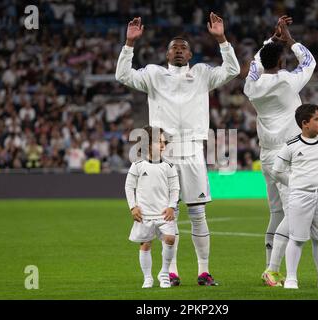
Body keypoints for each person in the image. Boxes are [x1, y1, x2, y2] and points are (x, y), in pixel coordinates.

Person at [116, 12, 240, 286]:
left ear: (191, 54)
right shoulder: (153, 74)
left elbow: (232, 70)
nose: (180, 51)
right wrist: (129, 44)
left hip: (193, 149)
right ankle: (169, 272)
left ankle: (203, 271)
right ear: (167, 54)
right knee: (165, 214)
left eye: (184, 48)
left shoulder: (202, 74)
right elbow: (122, 74)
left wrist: (222, 40)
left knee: (197, 213)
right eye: (175, 48)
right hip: (163, 153)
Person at [243, 16, 316, 286]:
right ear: (282, 62)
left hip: (267, 154)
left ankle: (268, 266)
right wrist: (290, 39)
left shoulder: (251, 87)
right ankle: (272, 269)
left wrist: (272, 40)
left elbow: (254, 64)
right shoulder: (288, 81)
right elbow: (309, 62)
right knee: (293, 213)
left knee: (276, 213)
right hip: (289, 155)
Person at [272, 104, 318, 289]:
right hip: (299, 197)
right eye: (317, 119)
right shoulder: (291, 146)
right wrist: (296, 184)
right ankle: (291, 279)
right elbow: (277, 171)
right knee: (297, 239)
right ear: (305, 123)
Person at [125, 126, 180, 288]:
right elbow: (129, 187)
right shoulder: (138, 165)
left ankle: (164, 272)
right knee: (146, 243)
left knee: (170, 239)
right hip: (145, 213)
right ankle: (147, 277)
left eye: (164, 142)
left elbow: (175, 188)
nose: (162, 145)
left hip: (164, 213)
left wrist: (171, 206)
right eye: (158, 142)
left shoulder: (169, 166)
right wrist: (133, 207)